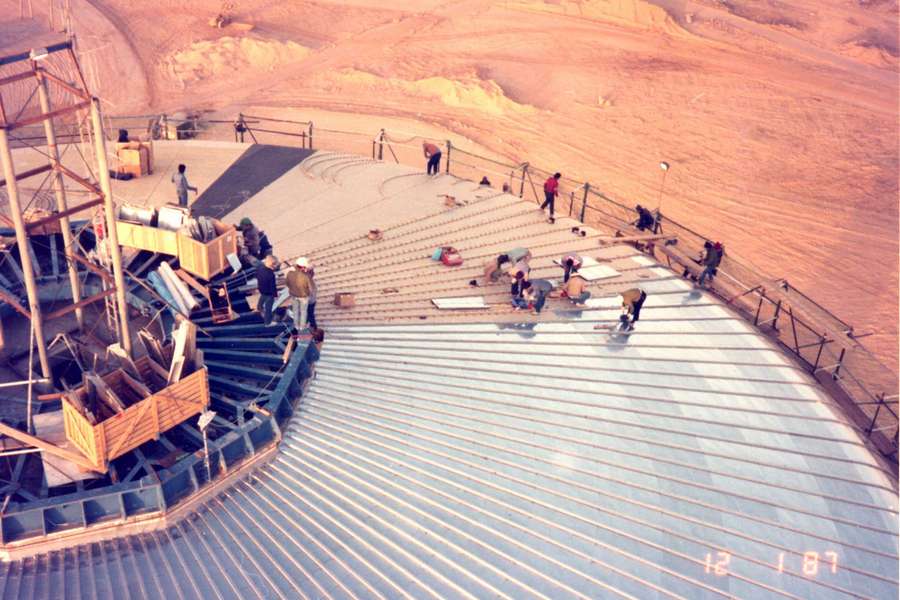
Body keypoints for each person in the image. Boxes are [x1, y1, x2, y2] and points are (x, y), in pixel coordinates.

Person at [287, 256, 313, 331]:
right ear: (303, 267)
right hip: (303, 296)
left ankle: (296, 325)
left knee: (295, 310)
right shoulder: (306, 276)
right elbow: (310, 288)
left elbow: (287, 283)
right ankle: (302, 326)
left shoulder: (290, 273)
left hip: (293, 295)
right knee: (303, 311)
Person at [255, 255, 278, 326]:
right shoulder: (271, 274)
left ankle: (259, 307)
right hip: (269, 293)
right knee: (268, 309)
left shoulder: (260, 268)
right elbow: (272, 286)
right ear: (272, 264)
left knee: (262, 298)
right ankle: (267, 323)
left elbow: (257, 277)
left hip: (261, 289)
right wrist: (275, 295)